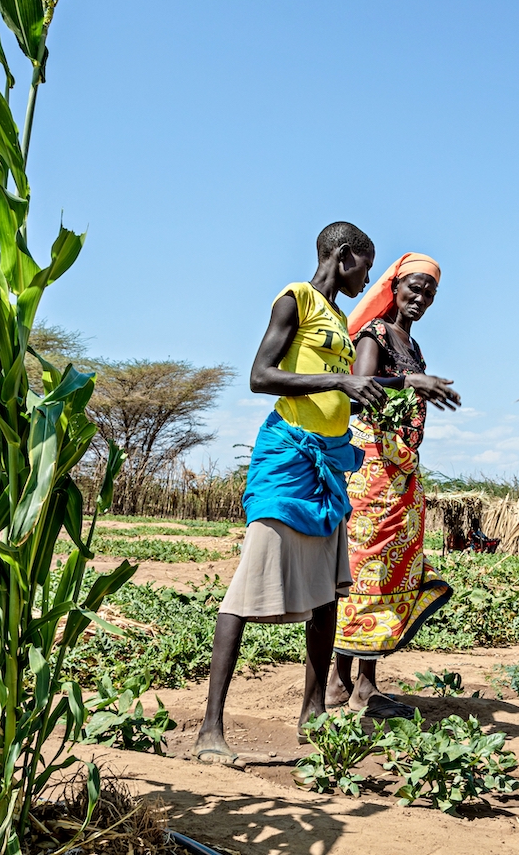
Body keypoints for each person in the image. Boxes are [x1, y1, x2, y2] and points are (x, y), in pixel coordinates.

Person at [194, 221, 389, 765]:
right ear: (343, 255)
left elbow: (352, 385)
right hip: (286, 458)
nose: (367, 277)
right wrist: (339, 383)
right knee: (246, 588)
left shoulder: (342, 322)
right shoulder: (295, 299)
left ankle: (312, 713)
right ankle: (211, 728)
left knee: (327, 592)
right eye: (365, 266)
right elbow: (261, 375)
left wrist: (405, 385)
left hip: (328, 463)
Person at [327, 253, 462, 718]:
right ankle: (347, 685)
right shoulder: (376, 334)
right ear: (394, 288)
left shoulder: (414, 346)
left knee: (386, 573)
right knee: (366, 572)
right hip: (372, 470)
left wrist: (417, 379)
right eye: (415, 288)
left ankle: (353, 684)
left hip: (400, 472)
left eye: (430, 293)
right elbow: (360, 387)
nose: (421, 298)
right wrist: (412, 381)